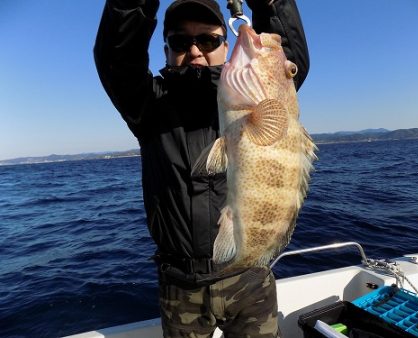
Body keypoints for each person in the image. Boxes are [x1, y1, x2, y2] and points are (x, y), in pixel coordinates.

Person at [94, 0, 309, 336]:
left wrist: (270, 3)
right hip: (181, 285)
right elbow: (116, 56)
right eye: (181, 42)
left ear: (227, 45)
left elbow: (284, 57)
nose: (194, 50)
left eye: (207, 41)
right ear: (166, 51)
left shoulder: (263, 93)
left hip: (250, 280)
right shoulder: (148, 106)